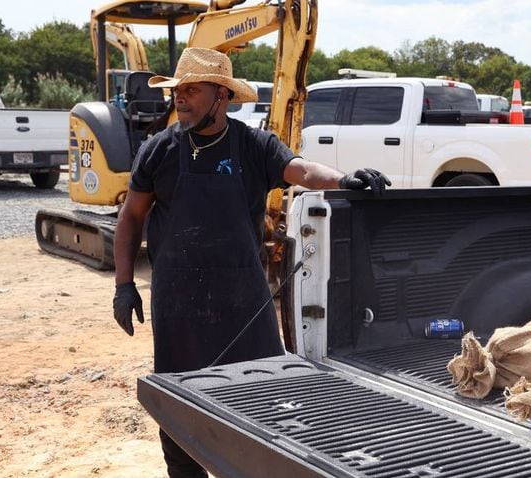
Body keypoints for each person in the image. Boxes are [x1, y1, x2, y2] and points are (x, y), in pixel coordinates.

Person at [111, 47, 390, 478]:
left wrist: (344, 179)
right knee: (180, 404)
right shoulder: (159, 150)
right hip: (179, 303)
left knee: (264, 397)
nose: (180, 98)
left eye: (192, 89)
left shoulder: (253, 145)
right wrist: (124, 285)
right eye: (177, 90)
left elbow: (304, 171)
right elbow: (130, 218)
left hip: (244, 300)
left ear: (221, 95)